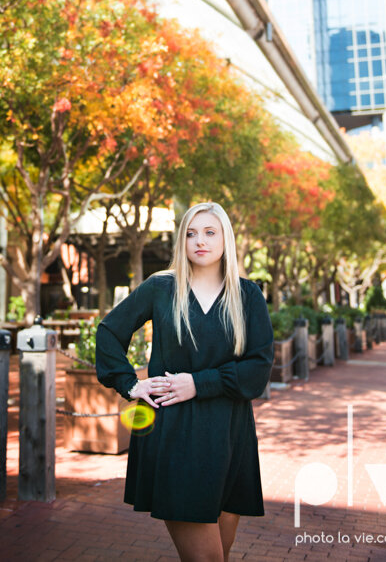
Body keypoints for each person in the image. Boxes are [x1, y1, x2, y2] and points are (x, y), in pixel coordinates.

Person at [95, 201, 274, 562]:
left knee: (219, 555)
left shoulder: (248, 295)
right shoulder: (161, 288)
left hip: (231, 433)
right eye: (191, 233)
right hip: (176, 433)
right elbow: (109, 332)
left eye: (210, 232)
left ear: (226, 238)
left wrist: (199, 383)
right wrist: (130, 384)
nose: (199, 241)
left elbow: (258, 368)